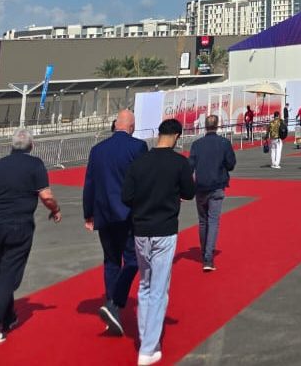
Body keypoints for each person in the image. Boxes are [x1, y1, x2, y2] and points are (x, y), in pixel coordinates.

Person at [0, 128, 62, 346]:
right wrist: (55, 209)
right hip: (19, 226)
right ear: (31, 146)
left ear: (11, 145)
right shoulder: (35, 165)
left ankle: (8, 317)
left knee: (4, 270)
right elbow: (46, 196)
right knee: (10, 279)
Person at [122, 119, 195, 366]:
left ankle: (146, 338)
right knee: (159, 289)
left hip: (141, 229)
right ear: (176, 136)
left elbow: (126, 196)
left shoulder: (139, 162)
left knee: (145, 284)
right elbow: (189, 192)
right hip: (164, 229)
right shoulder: (179, 163)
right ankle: (148, 347)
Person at [82, 109, 148, 336]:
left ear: (116, 124)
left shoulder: (97, 150)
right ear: (131, 127)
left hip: (104, 214)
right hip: (128, 214)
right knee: (132, 260)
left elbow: (90, 183)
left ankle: (113, 309)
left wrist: (88, 213)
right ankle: (114, 304)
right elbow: (142, 181)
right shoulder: (138, 147)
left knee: (111, 261)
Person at [189, 115, 236, 272]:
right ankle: (208, 258)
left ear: (205, 126)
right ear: (217, 126)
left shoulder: (196, 144)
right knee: (213, 220)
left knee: (203, 221)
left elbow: (190, 166)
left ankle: (204, 253)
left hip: (201, 186)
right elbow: (231, 164)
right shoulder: (224, 143)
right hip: (217, 185)